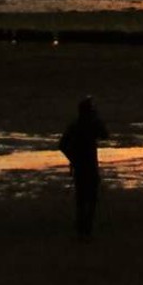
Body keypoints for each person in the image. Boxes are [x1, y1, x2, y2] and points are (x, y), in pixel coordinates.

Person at [58, 96, 107, 240]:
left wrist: (73, 158)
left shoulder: (75, 125)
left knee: (82, 198)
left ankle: (82, 228)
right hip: (89, 166)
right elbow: (105, 134)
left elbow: (62, 145)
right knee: (90, 198)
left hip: (81, 166)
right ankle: (86, 228)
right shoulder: (90, 125)